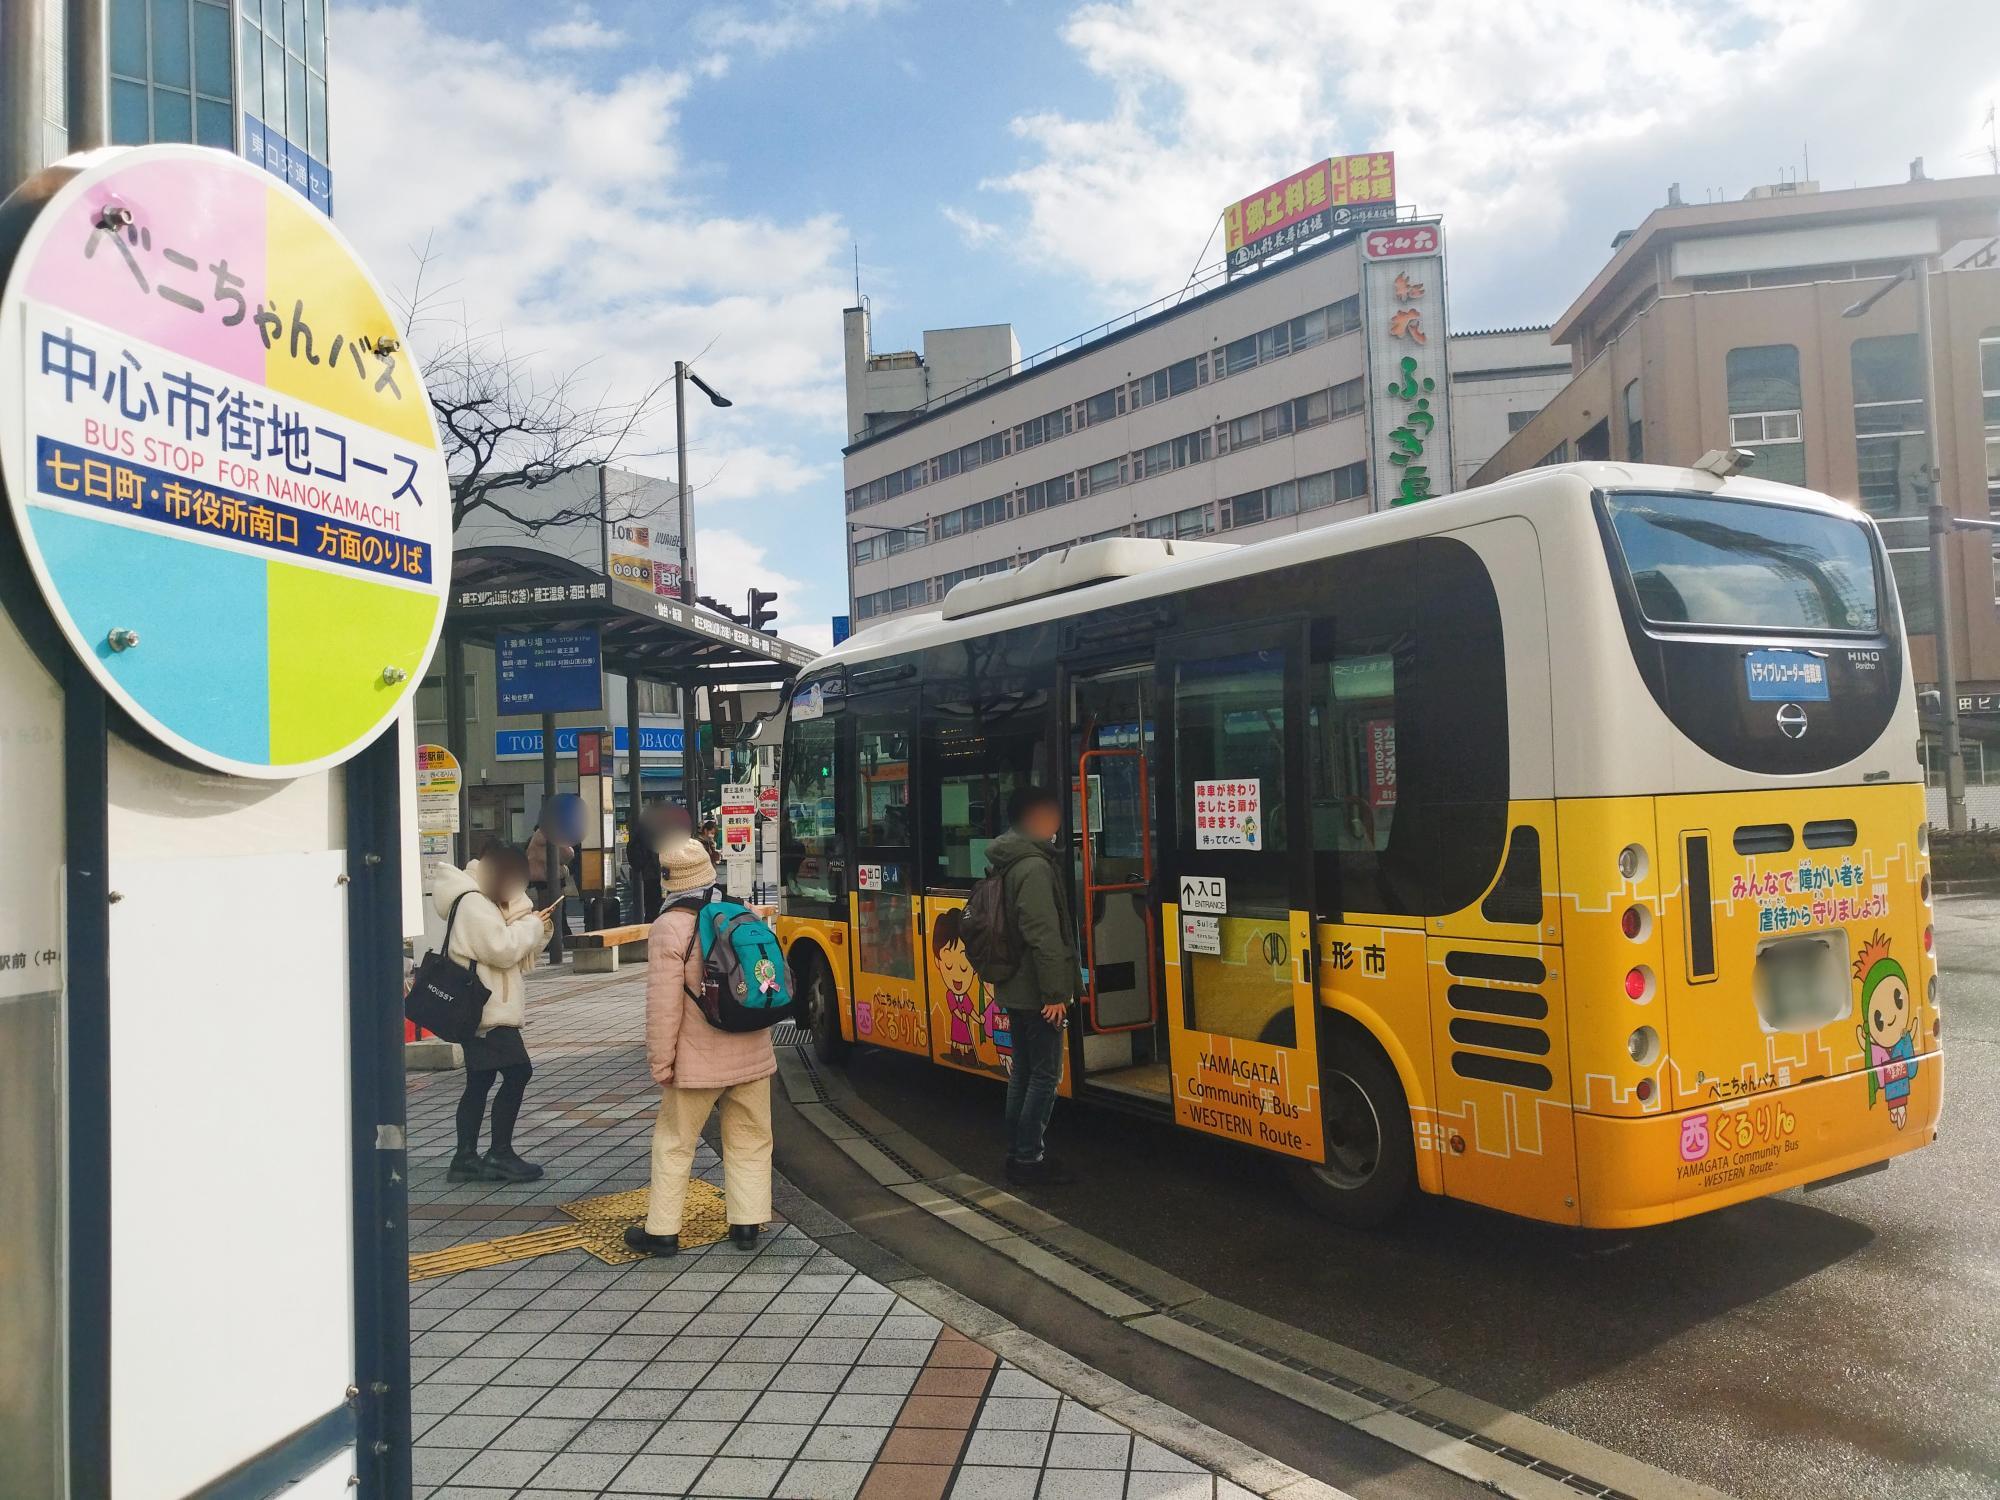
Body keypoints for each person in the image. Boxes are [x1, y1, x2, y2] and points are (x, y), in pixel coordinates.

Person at [625, 838, 776, 1256]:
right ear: (710, 873)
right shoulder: (740, 911)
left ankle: (663, 1232)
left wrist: (661, 1062)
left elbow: (663, 1007)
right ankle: (747, 1225)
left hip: (698, 1061)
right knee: (750, 1138)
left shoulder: (669, 927)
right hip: (752, 1050)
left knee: (674, 1142)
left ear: (668, 880)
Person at [432, 843, 556, 1183]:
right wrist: (530, 926)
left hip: (486, 1008)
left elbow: (509, 948)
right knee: (518, 1072)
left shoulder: (483, 899)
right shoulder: (473, 902)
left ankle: (466, 1158)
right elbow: (501, 949)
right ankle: (499, 1153)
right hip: (486, 1011)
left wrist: (535, 927)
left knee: (480, 1080)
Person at [985, 785, 1081, 1186]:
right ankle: (1028, 1157)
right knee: (1044, 1075)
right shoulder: (1035, 867)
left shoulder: (1009, 860)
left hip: (1014, 987)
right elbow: (1044, 935)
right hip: (1038, 992)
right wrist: (1056, 995)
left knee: (1022, 1071)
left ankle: (1017, 1152)